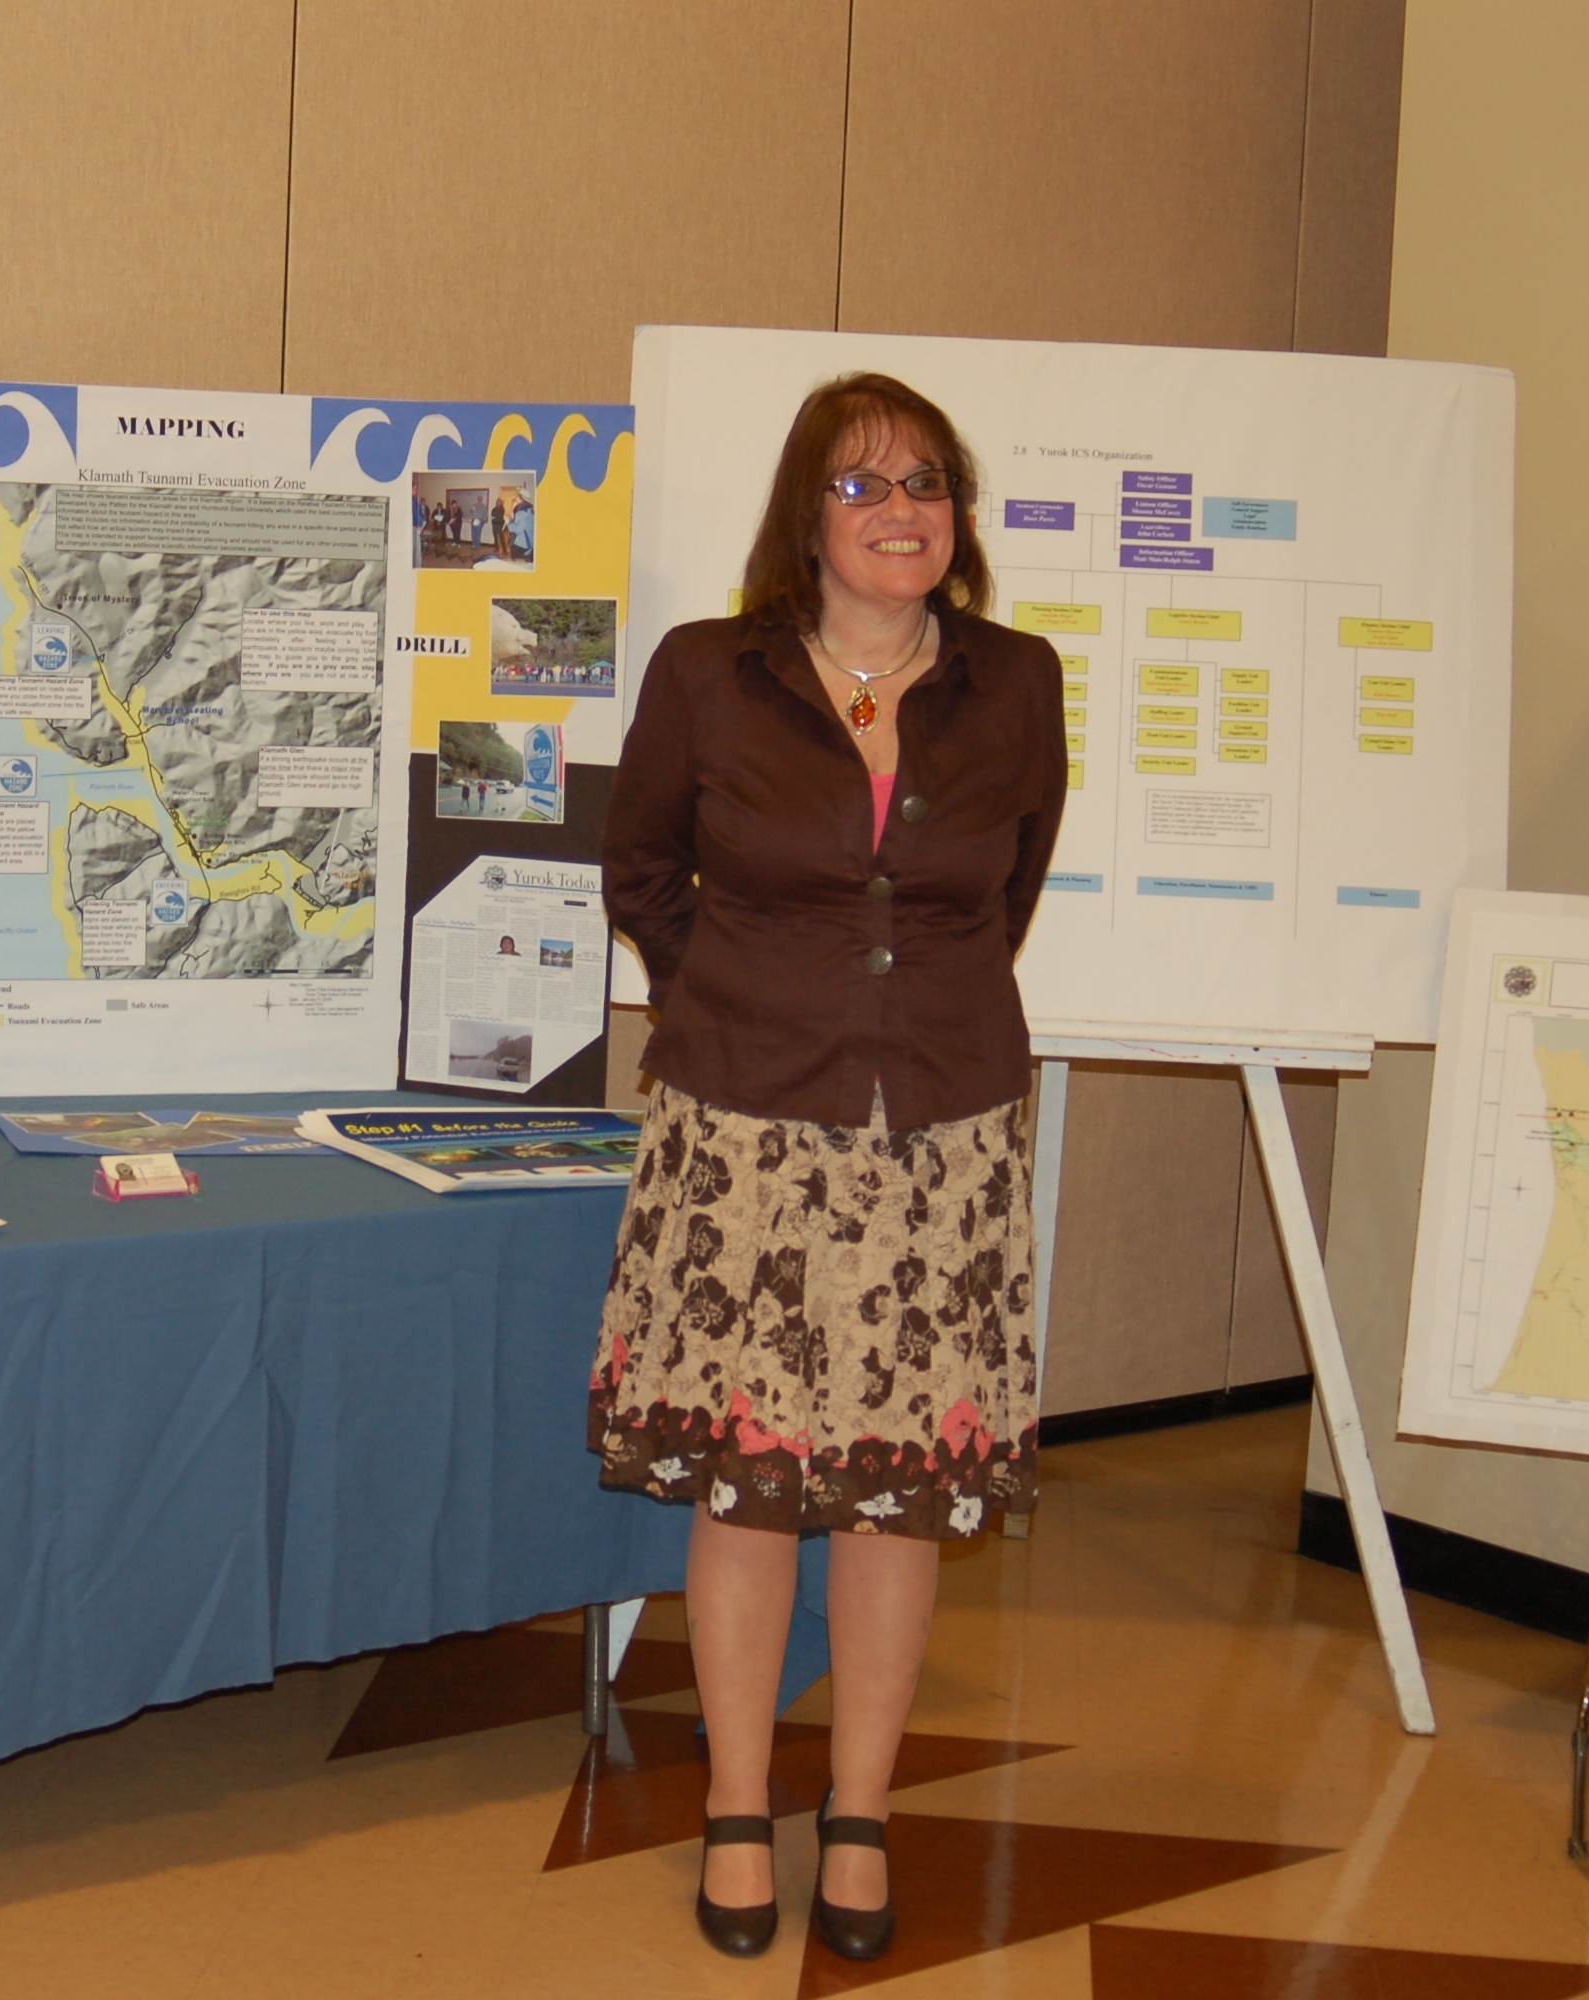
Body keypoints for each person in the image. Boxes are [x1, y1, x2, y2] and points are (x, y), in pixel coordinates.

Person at [593, 372, 1065, 1965]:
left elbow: (1007, 889)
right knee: (749, 1481)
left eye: (929, 482)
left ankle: (856, 1810)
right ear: (809, 517)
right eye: (866, 487)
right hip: (745, 1131)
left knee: (897, 1496)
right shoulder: (709, 674)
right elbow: (644, 870)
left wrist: (905, 1007)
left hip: (942, 1139)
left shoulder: (1015, 681)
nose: (904, 512)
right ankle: (738, 1806)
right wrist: (737, 996)